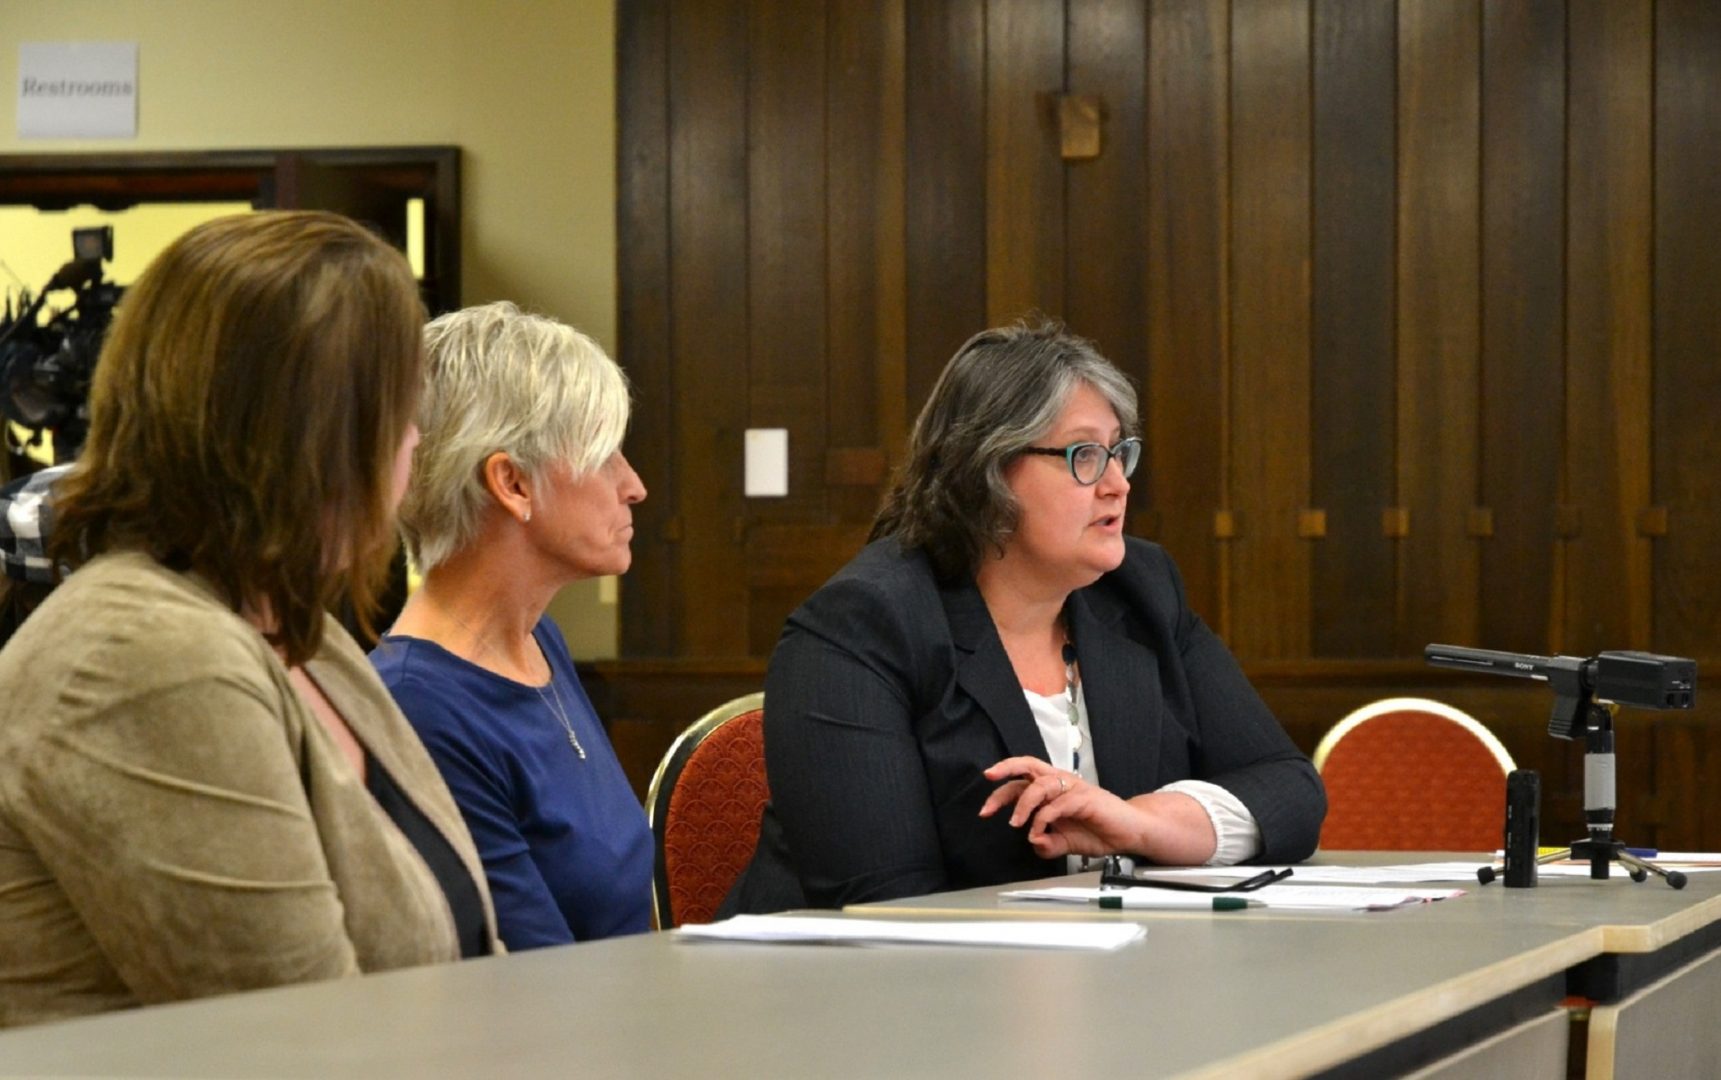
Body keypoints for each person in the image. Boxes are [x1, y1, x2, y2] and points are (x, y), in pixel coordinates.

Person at [0, 212, 498, 1029]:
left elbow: (471, 959)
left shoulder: (301, 629)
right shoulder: (142, 656)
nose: (414, 443)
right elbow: (296, 1040)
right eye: (399, 412)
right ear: (318, 437)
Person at [725, 322, 1326, 913]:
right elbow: (888, 906)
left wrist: (1138, 823)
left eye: (1120, 452)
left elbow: (1290, 794)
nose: (1117, 484)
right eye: (1084, 454)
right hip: (857, 997)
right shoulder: (862, 626)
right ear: (986, 473)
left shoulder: (1140, 591)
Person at [370, 301, 652, 950]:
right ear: (512, 484)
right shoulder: (419, 707)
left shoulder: (536, 640)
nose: (632, 485)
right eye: (604, 454)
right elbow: (536, 981)